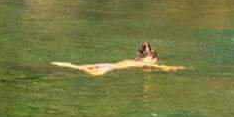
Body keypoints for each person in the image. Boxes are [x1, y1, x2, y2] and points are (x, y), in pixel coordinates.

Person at [54, 44, 183, 77]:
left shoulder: (135, 61)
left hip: (107, 64)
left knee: (80, 67)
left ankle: (67, 65)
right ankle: (68, 66)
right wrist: (171, 68)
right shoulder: (143, 63)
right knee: (88, 72)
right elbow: (159, 67)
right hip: (108, 68)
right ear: (150, 58)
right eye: (155, 59)